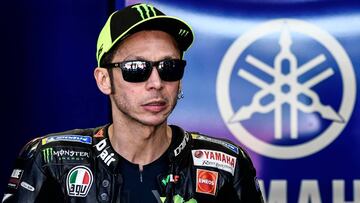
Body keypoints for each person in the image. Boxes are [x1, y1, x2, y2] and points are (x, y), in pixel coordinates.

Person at [2, 3, 264, 203]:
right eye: (136, 68)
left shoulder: (228, 164)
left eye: (169, 67)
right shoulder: (50, 160)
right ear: (104, 80)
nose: (156, 82)